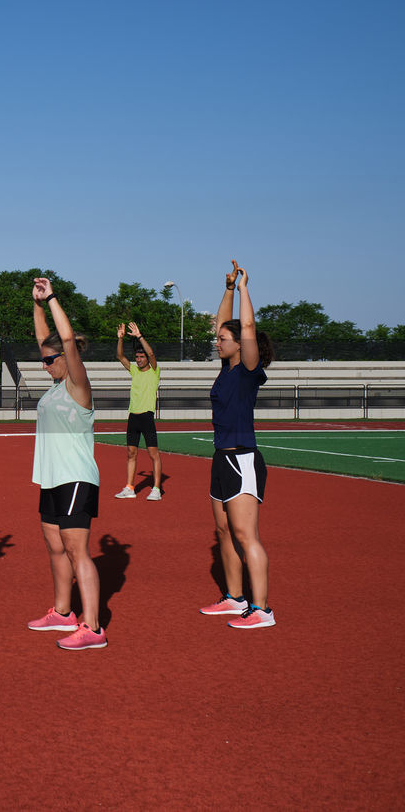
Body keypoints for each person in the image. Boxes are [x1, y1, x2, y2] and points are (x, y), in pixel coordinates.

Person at [26, 278, 107, 650]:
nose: (44, 365)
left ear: (64, 358)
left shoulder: (77, 384)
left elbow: (66, 341)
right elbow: (49, 340)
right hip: (51, 478)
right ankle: (63, 613)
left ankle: (92, 627)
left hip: (76, 478)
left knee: (77, 551)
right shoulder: (55, 385)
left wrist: (54, 298)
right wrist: (38, 305)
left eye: (48, 360)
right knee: (54, 547)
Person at [199, 260, 275, 629]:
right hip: (220, 459)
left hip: (242, 459)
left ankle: (261, 610)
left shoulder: (247, 370)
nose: (217, 341)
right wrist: (227, 288)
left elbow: (244, 327)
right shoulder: (224, 369)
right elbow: (223, 323)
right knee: (224, 531)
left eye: (221, 340)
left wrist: (244, 288)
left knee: (246, 535)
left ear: (240, 345)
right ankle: (234, 598)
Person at [114, 321, 163, 501]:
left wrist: (139, 336)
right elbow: (120, 356)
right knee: (131, 453)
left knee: (153, 454)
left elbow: (150, 353)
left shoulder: (154, 371)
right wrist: (120, 339)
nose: (139, 359)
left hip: (147, 417)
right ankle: (129, 488)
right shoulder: (134, 370)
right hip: (133, 417)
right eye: (137, 357)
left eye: (141, 357)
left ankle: (156, 489)